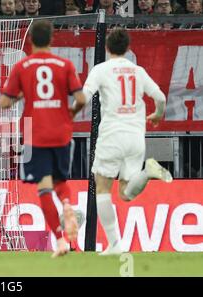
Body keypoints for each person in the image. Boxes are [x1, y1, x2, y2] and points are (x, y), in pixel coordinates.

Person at [0, 20, 87, 257]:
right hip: (61, 132)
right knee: (60, 183)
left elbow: (4, 102)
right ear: (51, 39)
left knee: (44, 188)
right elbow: (81, 98)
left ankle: (60, 240)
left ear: (30, 40)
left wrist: (23, 95)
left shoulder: (22, 66)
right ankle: (67, 205)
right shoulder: (64, 64)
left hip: (35, 133)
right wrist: (69, 114)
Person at [82, 28, 173, 256]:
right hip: (135, 136)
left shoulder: (101, 69)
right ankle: (147, 172)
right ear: (128, 48)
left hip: (112, 135)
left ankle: (115, 245)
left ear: (106, 48)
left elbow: (84, 96)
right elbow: (160, 97)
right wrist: (158, 114)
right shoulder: (138, 71)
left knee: (102, 188)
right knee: (125, 193)